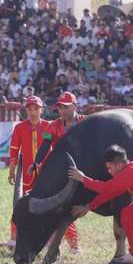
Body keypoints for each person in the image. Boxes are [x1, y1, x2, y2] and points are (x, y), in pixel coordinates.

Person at [32, 91, 84, 253]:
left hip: (83, 171)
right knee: (62, 207)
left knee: (71, 207)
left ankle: (73, 243)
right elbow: (45, 145)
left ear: (75, 106)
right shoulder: (52, 125)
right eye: (60, 107)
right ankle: (60, 243)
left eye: (66, 107)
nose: (62, 110)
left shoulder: (85, 122)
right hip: (60, 172)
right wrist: (37, 162)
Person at [1, 95, 50, 248]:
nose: (33, 112)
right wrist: (11, 171)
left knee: (55, 206)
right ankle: (14, 238)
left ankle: (71, 244)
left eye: (36, 109)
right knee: (21, 205)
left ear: (41, 110)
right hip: (27, 174)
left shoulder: (49, 126)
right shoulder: (20, 128)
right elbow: (14, 151)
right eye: (30, 109)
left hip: (47, 173)